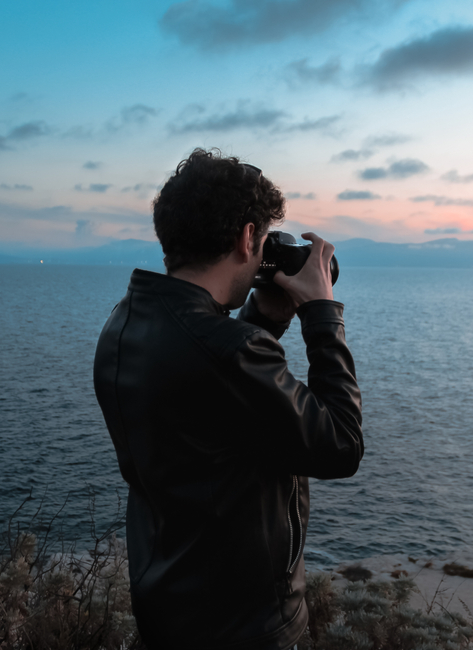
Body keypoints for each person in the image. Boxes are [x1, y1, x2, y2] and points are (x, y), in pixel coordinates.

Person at [92, 148, 364, 650]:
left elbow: (210, 395)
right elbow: (341, 444)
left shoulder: (125, 324)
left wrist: (264, 318)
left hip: (169, 610)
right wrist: (323, 315)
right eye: (262, 240)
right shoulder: (230, 352)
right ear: (246, 238)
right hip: (246, 628)